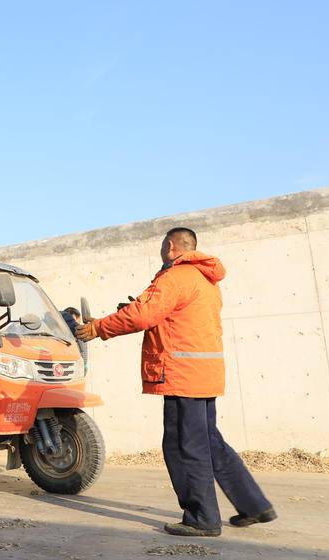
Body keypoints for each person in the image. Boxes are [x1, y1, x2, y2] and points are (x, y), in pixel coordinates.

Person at [74, 227, 275, 537]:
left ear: (170, 246)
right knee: (209, 441)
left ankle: (202, 518)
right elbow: (168, 317)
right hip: (203, 374)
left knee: (184, 445)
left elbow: (143, 315)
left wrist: (98, 328)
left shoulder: (175, 276)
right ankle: (254, 504)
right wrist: (131, 311)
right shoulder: (205, 280)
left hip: (182, 374)